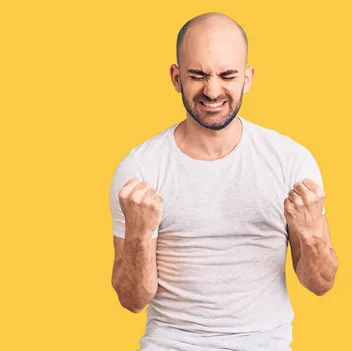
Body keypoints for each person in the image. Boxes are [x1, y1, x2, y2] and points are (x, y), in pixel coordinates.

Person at [109, 12, 339, 351]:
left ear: (247, 79)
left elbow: (321, 284)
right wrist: (140, 235)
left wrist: (309, 232)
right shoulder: (140, 170)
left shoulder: (291, 161)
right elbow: (132, 300)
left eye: (227, 75)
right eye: (197, 75)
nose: (212, 90)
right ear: (176, 78)